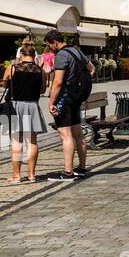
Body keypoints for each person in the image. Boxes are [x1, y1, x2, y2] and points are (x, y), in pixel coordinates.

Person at [45, 31, 89, 181]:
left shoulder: (61, 56)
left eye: (49, 46)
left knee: (66, 135)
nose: (50, 49)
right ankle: (82, 168)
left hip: (64, 98)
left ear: (54, 42)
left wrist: (51, 101)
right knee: (78, 134)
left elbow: (57, 82)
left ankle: (68, 173)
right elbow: (92, 69)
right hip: (77, 98)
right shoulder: (77, 52)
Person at [4, 44, 47, 183]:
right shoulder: (41, 71)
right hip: (33, 106)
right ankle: (31, 175)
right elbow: (42, 90)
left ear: (21, 54)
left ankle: (16, 176)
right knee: (32, 142)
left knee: (17, 141)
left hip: (16, 105)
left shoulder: (12, 68)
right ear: (34, 56)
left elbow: (5, 84)